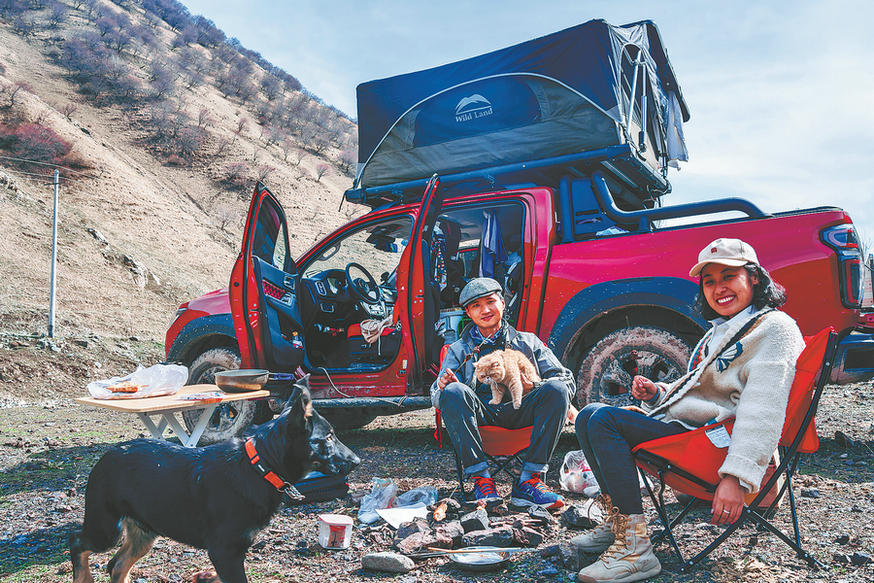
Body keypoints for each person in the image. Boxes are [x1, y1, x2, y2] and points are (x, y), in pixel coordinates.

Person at [572, 238, 805, 583]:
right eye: (709, 281)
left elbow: (763, 407)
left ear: (754, 277)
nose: (718, 288)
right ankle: (619, 524)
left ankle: (636, 552)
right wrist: (658, 393)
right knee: (589, 413)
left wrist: (736, 477)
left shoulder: (774, 329)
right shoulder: (726, 328)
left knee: (604, 421)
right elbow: (701, 389)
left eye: (729, 276)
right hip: (699, 432)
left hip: (717, 445)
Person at [431, 277, 576, 509]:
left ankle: (529, 481)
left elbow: (566, 381)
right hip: (482, 415)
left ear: (502, 302)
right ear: (468, 312)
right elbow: (436, 397)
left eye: (490, 301)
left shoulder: (528, 342)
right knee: (454, 391)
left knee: (556, 389)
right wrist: (446, 387)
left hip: (523, 412)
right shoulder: (458, 349)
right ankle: (482, 481)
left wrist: (533, 387)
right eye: (476, 305)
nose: (485, 310)